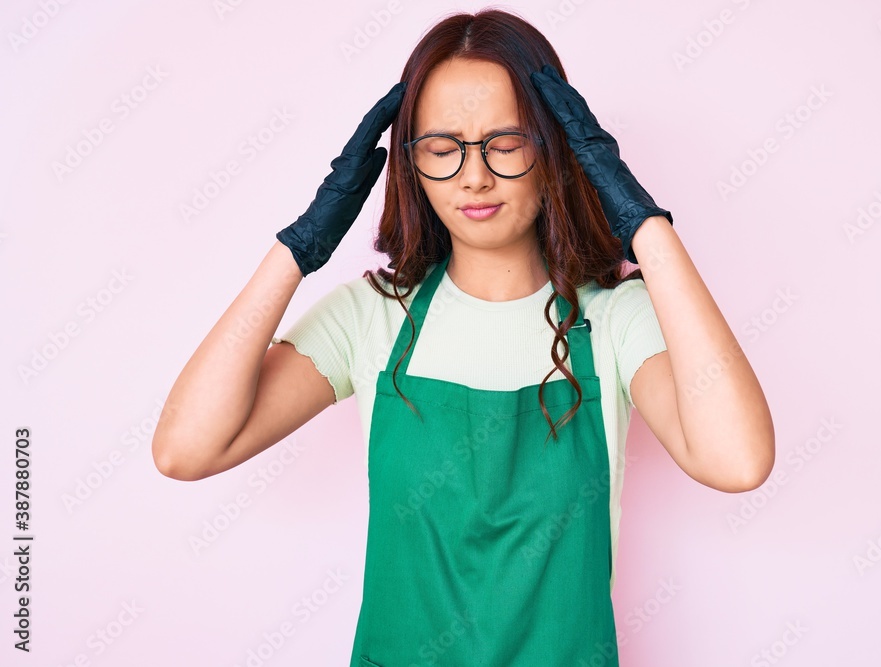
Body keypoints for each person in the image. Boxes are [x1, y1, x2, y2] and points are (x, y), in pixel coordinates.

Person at [152, 8, 774, 665]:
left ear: (557, 147)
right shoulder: (373, 315)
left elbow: (738, 459)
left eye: (505, 144)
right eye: (442, 149)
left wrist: (641, 221)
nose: (474, 176)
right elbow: (186, 448)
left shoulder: (616, 318)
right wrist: (301, 245)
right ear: (410, 164)